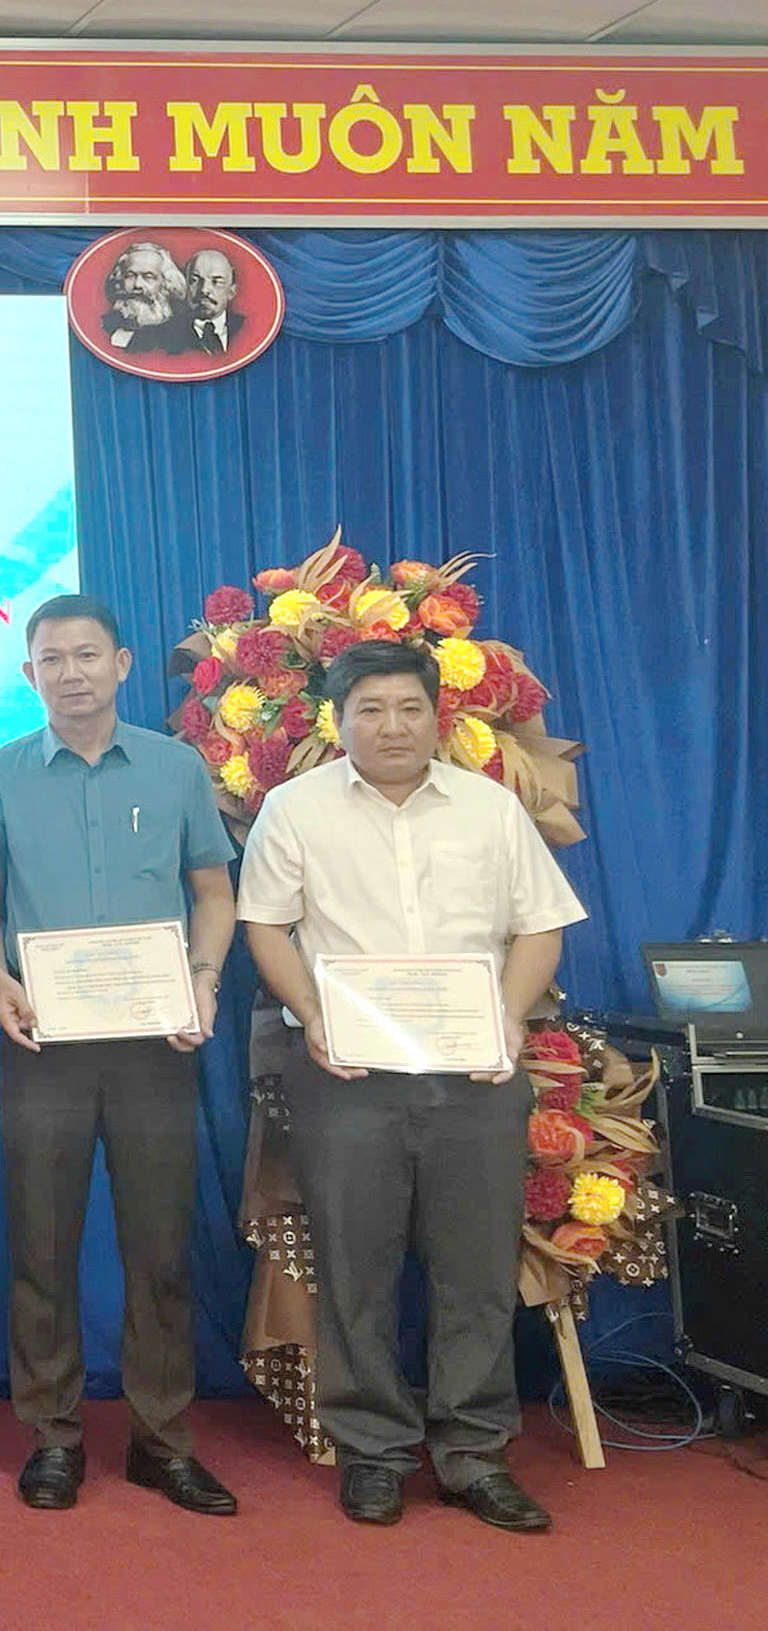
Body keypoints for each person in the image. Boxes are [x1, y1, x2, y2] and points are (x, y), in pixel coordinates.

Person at [238, 639, 583, 1533]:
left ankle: (473, 1453)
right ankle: (374, 1451)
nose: (391, 726)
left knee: (476, 1268)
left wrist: (509, 1018)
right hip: (347, 1073)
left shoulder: (490, 808)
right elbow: (267, 926)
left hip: (474, 1070)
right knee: (357, 1267)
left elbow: (540, 928)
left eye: (409, 708)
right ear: (338, 721)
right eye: (370, 710)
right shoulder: (294, 809)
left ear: (438, 716)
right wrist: (313, 1014)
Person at [0, 593, 239, 1517]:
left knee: (160, 1248)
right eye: (51, 658)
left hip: (157, 1041)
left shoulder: (176, 767)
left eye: (87, 655)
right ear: (27, 674)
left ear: (121, 664)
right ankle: (53, 1437)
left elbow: (213, 893)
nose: (70, 673)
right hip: (44, 1042)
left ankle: (164, 1442)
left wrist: (203, 978)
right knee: (42, 1245)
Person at [100, 243, 186, 353]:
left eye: (148, 277)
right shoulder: (104, 327)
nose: (137, 285)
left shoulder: (179, 336)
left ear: (166, 283)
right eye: (130, 276)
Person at [176, 249, 245, 356]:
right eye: (195, 280)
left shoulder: (247, 328)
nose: (204, 289)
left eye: (217, 282)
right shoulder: (162, 336)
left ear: (231, 291)